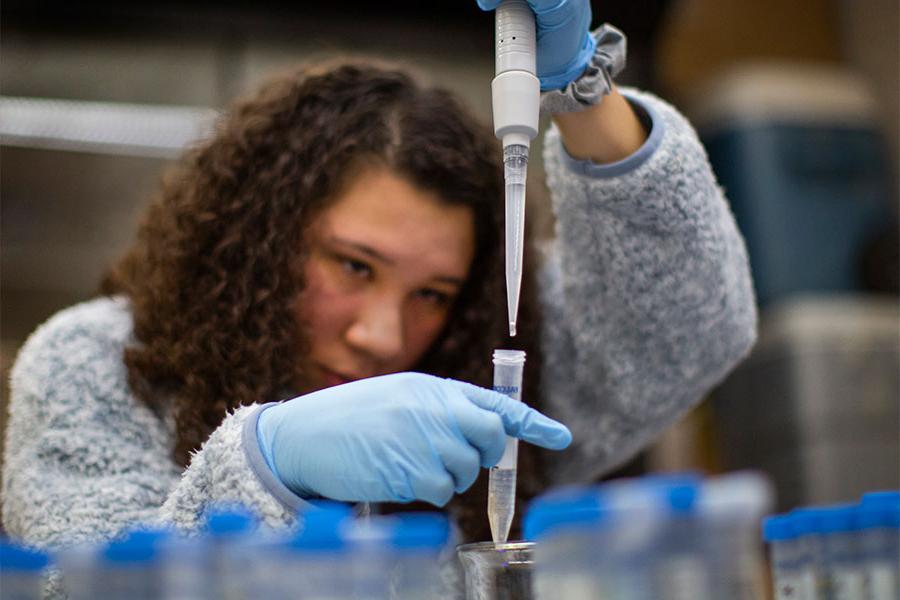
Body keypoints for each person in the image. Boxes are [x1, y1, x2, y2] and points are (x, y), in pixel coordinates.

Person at [2, 0, 756, 596]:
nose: (383, 335)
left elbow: (685, 330)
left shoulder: (471, 374)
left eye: (432, 292)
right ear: (258, 237)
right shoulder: (97, 364)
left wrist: (581, 86)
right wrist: (267, 464)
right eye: (355, 267)